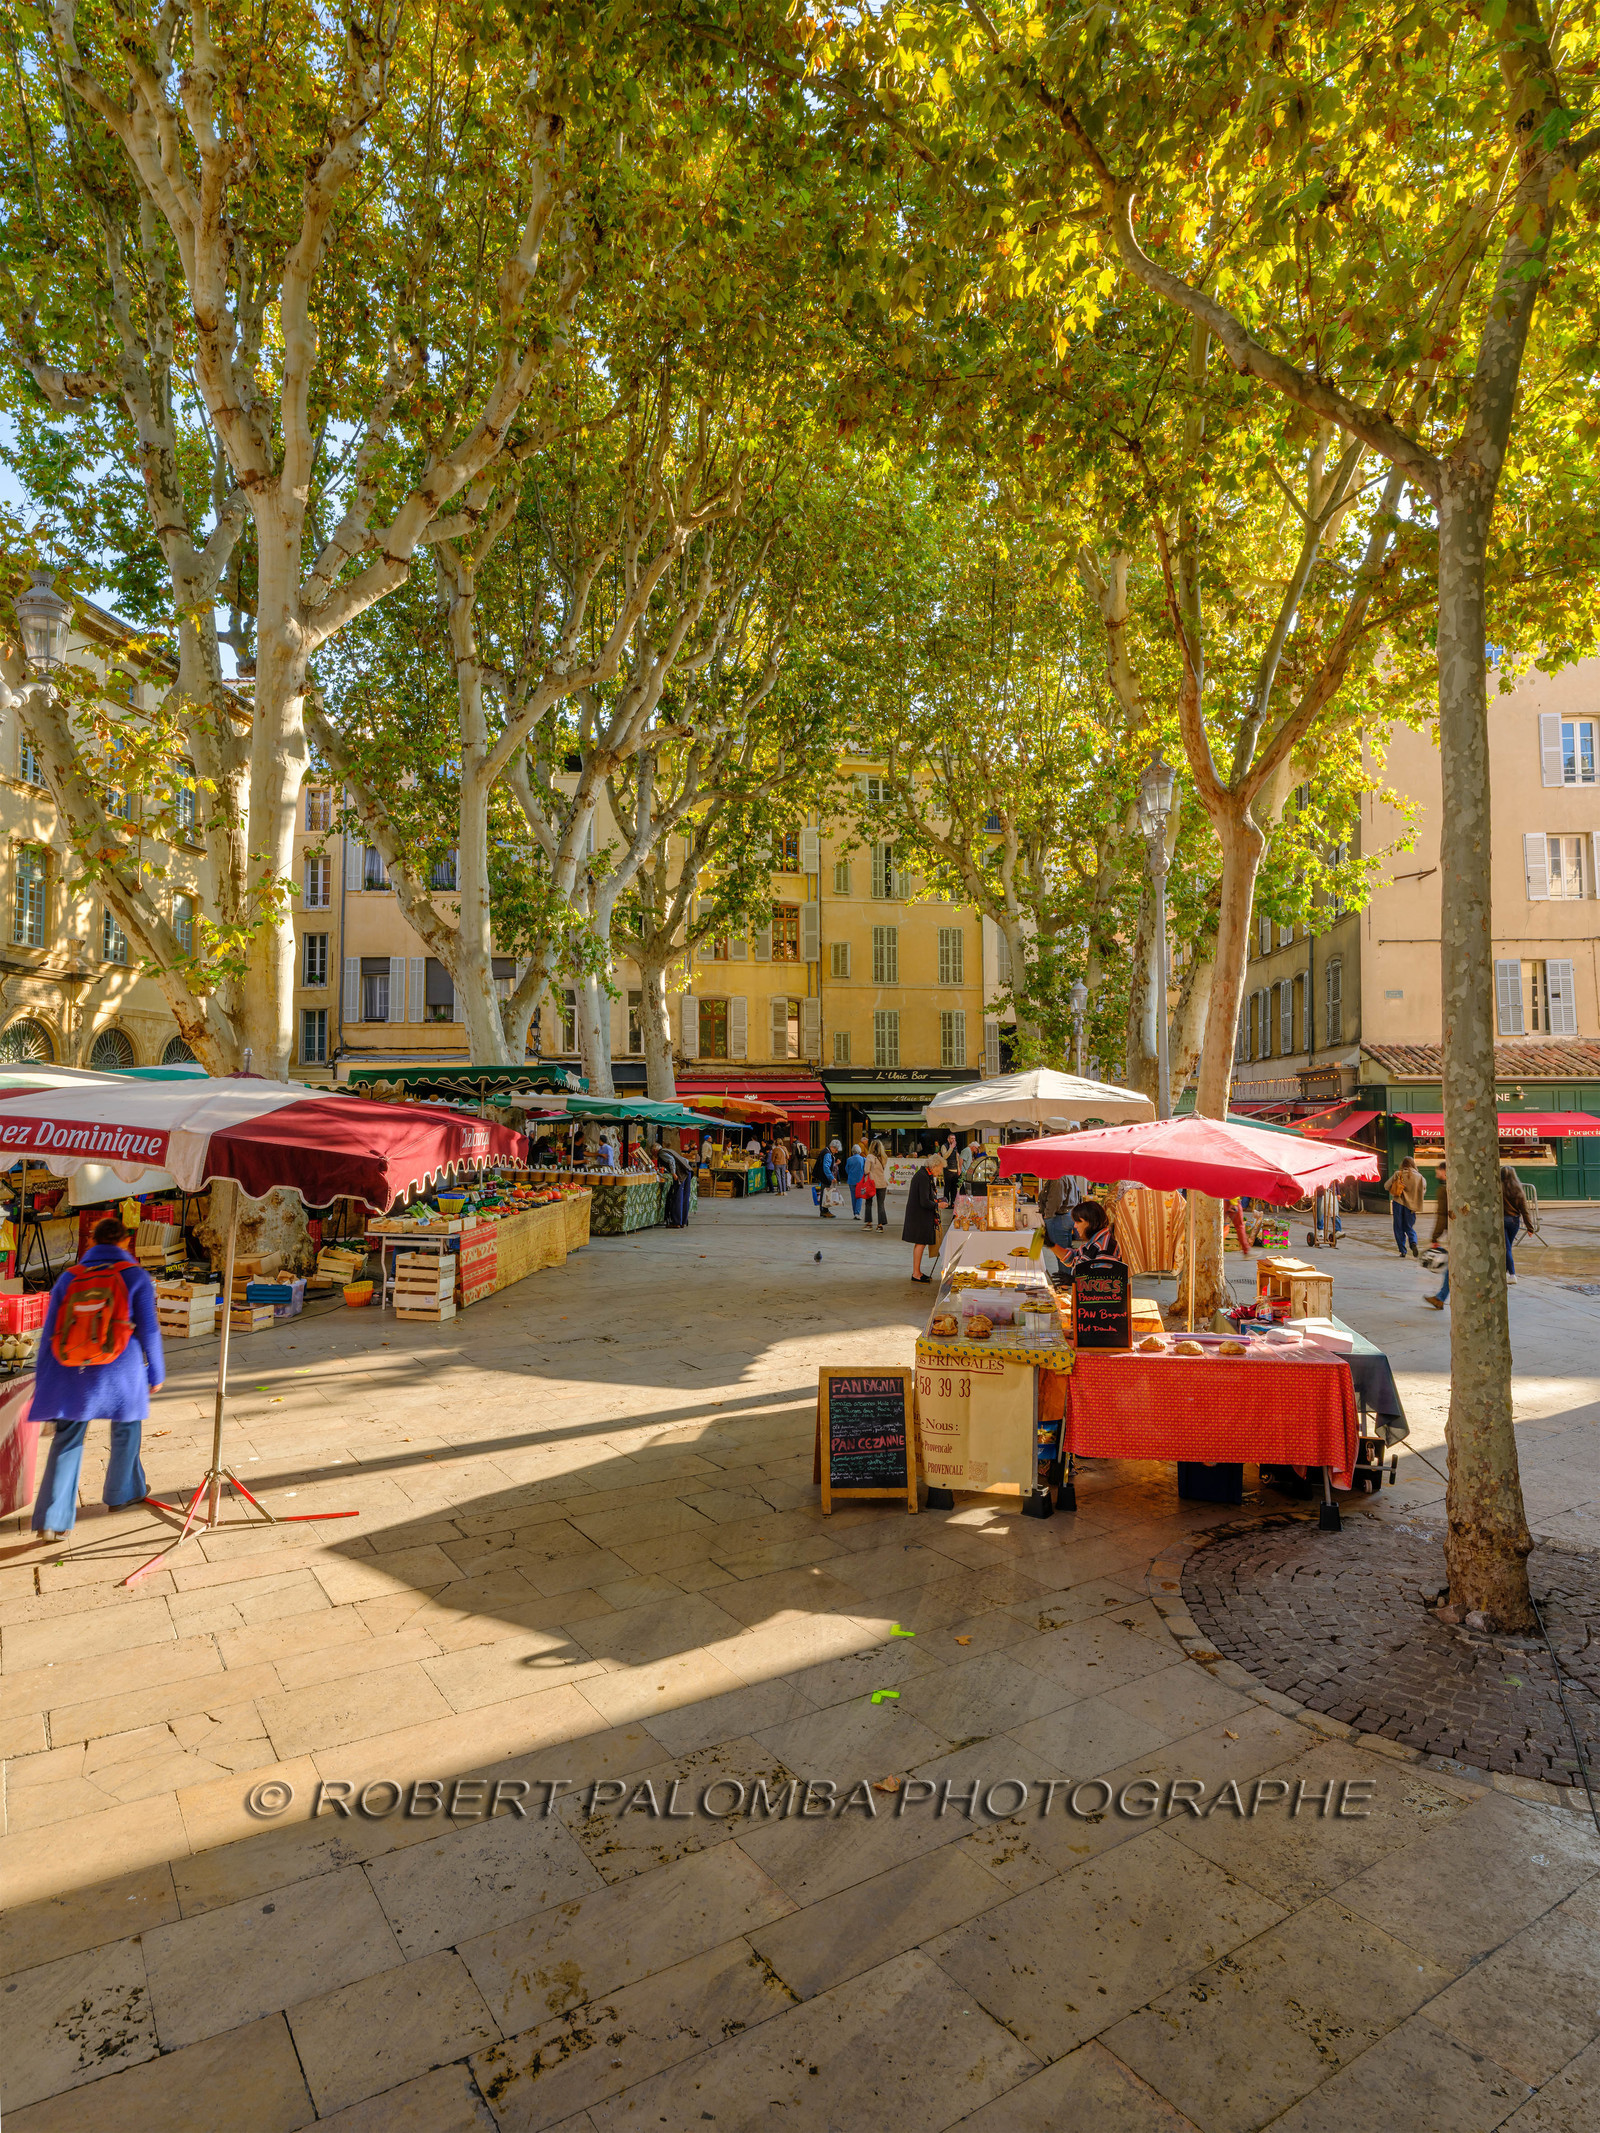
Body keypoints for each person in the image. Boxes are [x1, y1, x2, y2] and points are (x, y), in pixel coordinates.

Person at [30, 1216, 165, 1542]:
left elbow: (50, 1333)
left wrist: (43, 1383)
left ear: (90, 1242)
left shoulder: (68, 1277)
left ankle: (53, 1519)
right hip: (121, 1371)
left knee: (67, 1440)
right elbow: (149, 1329)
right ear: (124, 1243)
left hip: (71, 1372)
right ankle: (122, 1493)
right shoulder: (136, 1277)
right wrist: (156, 1371)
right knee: (127, 1427)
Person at [903, 1148, 944, 1282]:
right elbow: (924, 1201)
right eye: (940, 1168)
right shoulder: (923, 1177)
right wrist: (938, 1205)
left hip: (920, 1215)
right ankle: (916, 1273)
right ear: (934, 1166)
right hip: (918, 1215)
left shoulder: (925, 1175)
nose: (941, 1172)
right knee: (920, 1243)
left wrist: (937, 1200)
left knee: (921, 1243)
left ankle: (917, 1272)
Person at [1062, 1198, 1125, 1274]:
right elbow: (1073, 1257)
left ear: (1090, 1222)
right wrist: (1051, 1245)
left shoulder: (1104, 1247)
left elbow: (1102, 1278)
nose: (1075, 1226)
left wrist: (1074, 1280)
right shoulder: (1094, 1242)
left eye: (1078, 1222)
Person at [1037, 1169, 1077, 1277]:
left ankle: (1064, 1283)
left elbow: (1056, 1199)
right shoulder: (1067, 1174)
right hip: (1064, 1216)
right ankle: (1064, 1279)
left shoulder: (1058, 1177)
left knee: (1062, 1253)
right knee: (1064, 1251)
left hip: (1059, 1218)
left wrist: (1047, 1215)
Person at [1385, 1153, 1425, 1260]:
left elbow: (1386, 1185)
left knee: (1398, 1227)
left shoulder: (1398, 1174)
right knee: (1408, 1226)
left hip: (1398, 1203)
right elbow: (1423, 1190)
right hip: (1411, 1206)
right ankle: (1413, 1242)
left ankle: (1402, 1251)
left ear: (1403, 1164)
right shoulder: (1420, 1177)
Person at [1502, 1163, 1532, 1283]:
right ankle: (1504, 1272)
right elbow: (1525, 1210)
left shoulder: (1497, 1189)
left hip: (1502, 1220)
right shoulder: (1518, 1190)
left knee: (1506, 1247)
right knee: (1507, 1247)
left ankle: (1512, 1274)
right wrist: (1530, 1228)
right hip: (1514, 1221)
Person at [1426, 1160, 1450, 1307]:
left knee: (1452, 1267)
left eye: (1438, 1171)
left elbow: (1442, 1215)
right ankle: (1441, 1297)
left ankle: (1440, 1298)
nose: (1436, 1174)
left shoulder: (1443, 1190)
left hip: (1454, 1233)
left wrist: (1435, 1237)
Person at [866, 1138, 890, 1230]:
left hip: (871, 1183)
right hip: (882, 1183)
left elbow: (866, 1170)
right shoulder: (884, 1157)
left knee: (868, 1203)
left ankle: (869, 1223)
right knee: (881, 1204)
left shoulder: (869, 1157)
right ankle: (880, 1225)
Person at [814, 1138, 840, 1217]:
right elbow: (826, 1167)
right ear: (832, 1147)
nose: (837, 1151)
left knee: (824, 1193)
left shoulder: (825, 1151)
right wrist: (831, 1177)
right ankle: (825, 1211)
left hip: (822, 1176)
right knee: (826, 1194)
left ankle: (823, 1210)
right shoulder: (827, 1154)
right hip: (825, 1177)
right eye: (836, 1149)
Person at [845, 1140, 867, 1221]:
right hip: (860, 1181)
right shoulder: (863, 1159)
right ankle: (857, 1213)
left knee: (853, 1197)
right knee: (859, 1197)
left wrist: (850, 1175)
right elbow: (865, 1170)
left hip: (851, 1181)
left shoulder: (849, 1159)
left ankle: (854, 1212)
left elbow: (846, 1169)